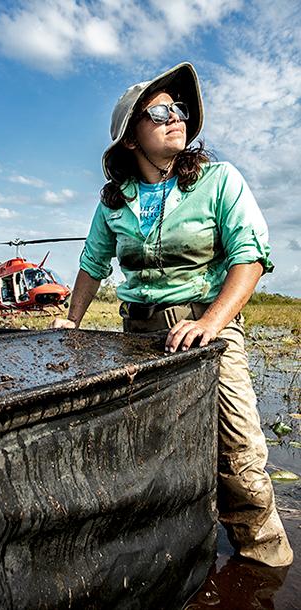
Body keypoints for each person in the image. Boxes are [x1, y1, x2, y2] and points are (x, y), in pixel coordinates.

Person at [53, 62, 293, 567]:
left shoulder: (219, 180)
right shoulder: (114, 201)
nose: (174, 117)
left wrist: (212, 323)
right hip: (135, 335)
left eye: (178, 109)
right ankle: (158, 563)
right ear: (130, 138)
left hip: (210, 330)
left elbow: (250, 255)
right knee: (142, 450)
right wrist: (72, 320)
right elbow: (92, 263)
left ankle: (265, 563)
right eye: (158, 112)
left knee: (239, 457)